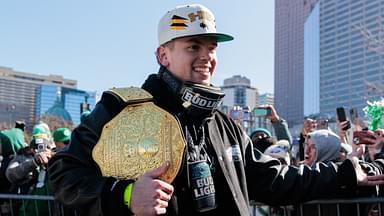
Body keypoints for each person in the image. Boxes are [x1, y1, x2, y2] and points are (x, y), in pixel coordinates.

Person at [48, 4, 384, 216]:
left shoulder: (223, 123)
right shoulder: (121, 109)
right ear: (163, 55)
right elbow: (63, 173)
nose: (206, 56)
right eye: (193, 46)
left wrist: (345, 173)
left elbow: (271, 180)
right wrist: (124, 196)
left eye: (211, 47)